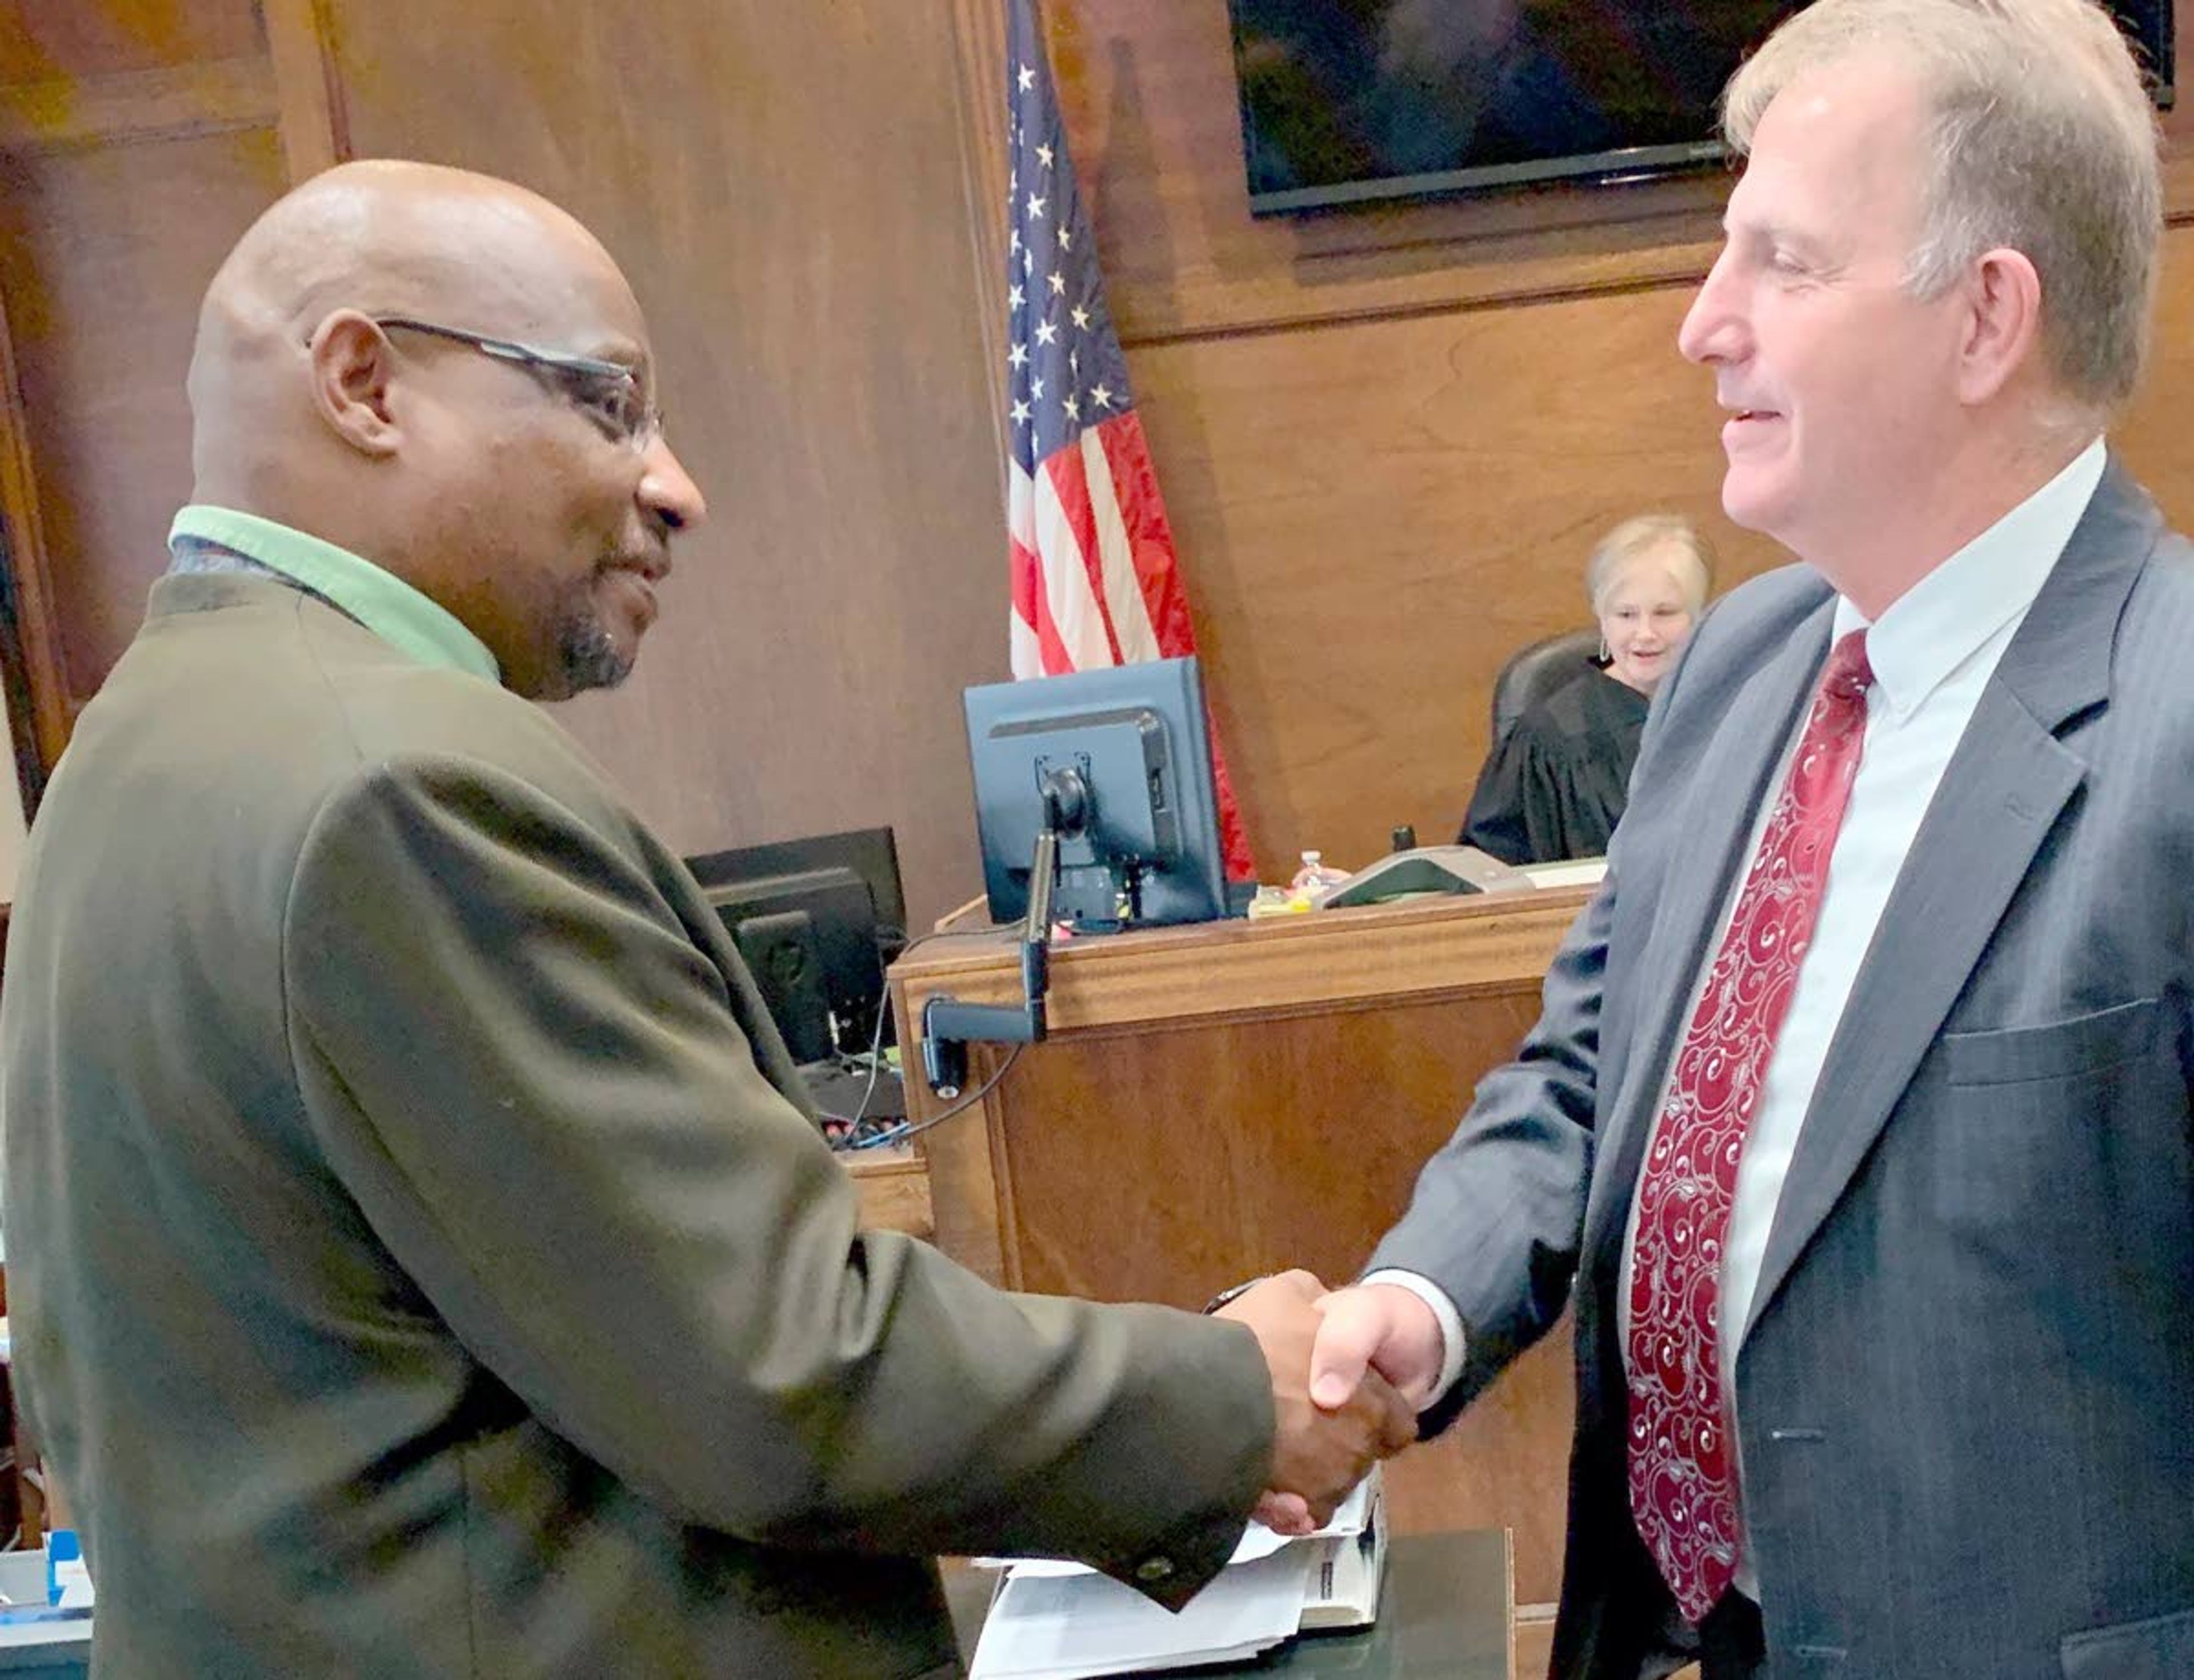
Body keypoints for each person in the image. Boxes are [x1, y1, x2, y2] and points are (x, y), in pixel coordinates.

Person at [0, 161, 1412, 1679]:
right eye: (610, 404)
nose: (677, 484)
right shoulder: (393, 786)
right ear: (363, 382)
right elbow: (781, 1370)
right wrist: (1230, 1391)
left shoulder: (139, 746)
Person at [1290, 1, 2194, 1675]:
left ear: (1984, 315)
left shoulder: (2173, 728)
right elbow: (1583, 1078)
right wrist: (1413, 1305)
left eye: (1779, 261)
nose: (1702, 325)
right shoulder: (1734, 666)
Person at [1459, 515, 1713, 864]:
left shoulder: (1727, 708)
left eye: (1665, 613)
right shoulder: (1551, 738)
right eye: (1625, 615)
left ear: (1700, 615)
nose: (1645, 633)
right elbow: (1493, 868)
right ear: (1601, 616)